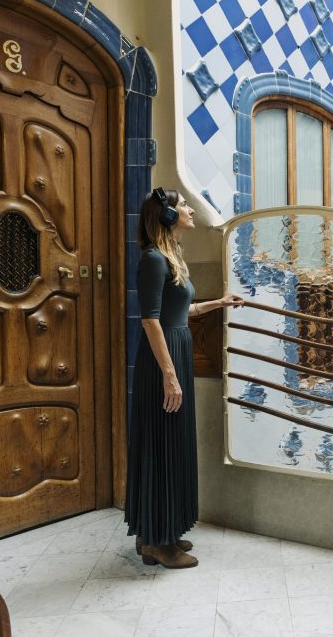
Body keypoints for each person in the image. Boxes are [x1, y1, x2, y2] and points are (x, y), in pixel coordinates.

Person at [125, 187, 242, 568]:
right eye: (183, 206)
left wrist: (219, 303)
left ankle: (156, 534)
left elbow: (180, 311)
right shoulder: (153, 260)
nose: (191, 209)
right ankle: (160, 543)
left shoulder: (168, 258)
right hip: (163, 363)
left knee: (169, 442)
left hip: (173, 352)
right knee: (161, 444)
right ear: (169, 217)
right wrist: (170, 375)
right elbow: (149, 320)